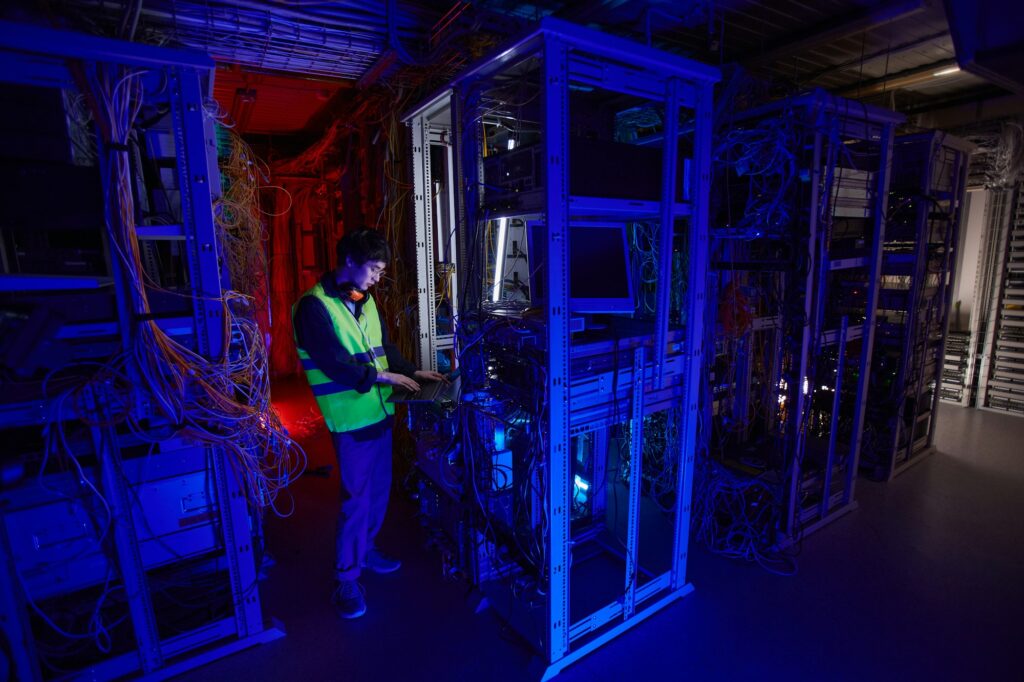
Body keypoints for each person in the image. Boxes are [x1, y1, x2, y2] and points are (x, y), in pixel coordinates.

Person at [292, 228, 445, 619]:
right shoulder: (314, 307)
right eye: (374, 269)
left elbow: (382, 348)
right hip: (350, 420)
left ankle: (367, 549)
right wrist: (386, 378)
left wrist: (413, 371)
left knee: (377, 493)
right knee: (355, 501)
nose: (378, 277)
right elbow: (334, 365)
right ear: (349, 263)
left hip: (378, 414)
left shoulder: (365, 299)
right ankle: (345, 579)